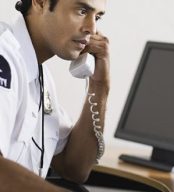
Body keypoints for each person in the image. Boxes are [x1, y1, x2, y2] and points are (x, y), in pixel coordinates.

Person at [0, 0, 109, 191]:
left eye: (97, 17)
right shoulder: (4, 58)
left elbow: (74, 168)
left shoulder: (42, 77)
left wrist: (99, 85)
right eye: (82, 11)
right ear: (40, 2)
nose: (92, 29)